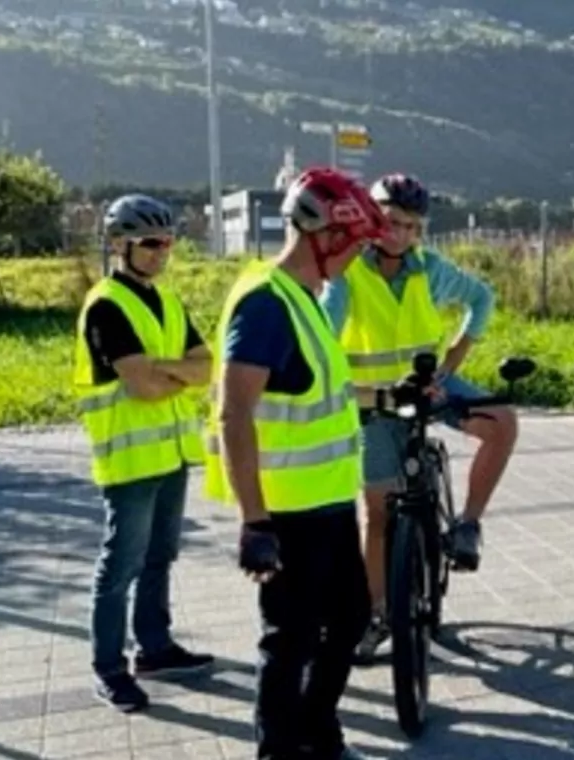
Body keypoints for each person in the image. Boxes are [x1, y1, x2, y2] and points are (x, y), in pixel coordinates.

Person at [203, 166, 385, 760]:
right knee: (290, 643)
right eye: (355, 244)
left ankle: (314, 727)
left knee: (352, 618)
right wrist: (254, 523)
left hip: (327, 502)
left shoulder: (305, 300)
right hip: (288, 512)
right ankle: (280, 749)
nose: (358, 257)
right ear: (324, 238)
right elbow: (235, 414)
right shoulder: (265, 306)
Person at [318, 173, 520, 662]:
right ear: (371, 220)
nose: (400, 235)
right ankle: (376, 613)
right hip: (373, 403)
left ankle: (468, 524)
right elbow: (325, 340)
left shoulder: (429, 268)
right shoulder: (347, 275)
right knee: (379, 516)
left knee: (503, 423)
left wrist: (454, 358)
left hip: (428, 387)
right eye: (390, 223)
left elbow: (481, 299)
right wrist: (359, 392)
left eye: (411, 226)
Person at [74, 194, 216, 712]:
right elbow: (142, 388)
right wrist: (176, 373)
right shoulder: (107, 304)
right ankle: (108, 668)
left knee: (161, 557)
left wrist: (167, 369)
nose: (161, 252)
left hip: (172, 455)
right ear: (119, 245)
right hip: (131, 463)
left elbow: (208, 367)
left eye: (167, 243)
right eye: (150, 243)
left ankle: (154, 649)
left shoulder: (168, 301)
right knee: (121, 566)